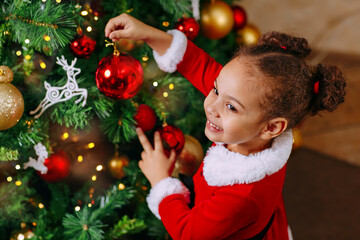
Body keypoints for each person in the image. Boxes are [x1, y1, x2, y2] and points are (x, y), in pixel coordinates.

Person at [105, 14, 346, 240]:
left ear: (271, 128)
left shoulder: (242, 195)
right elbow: (200, 66)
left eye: (231, 107)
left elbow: (188, 233)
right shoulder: (256, 131)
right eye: (216, 90)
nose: (211, 106)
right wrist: (149, 34)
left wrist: (161, 181)